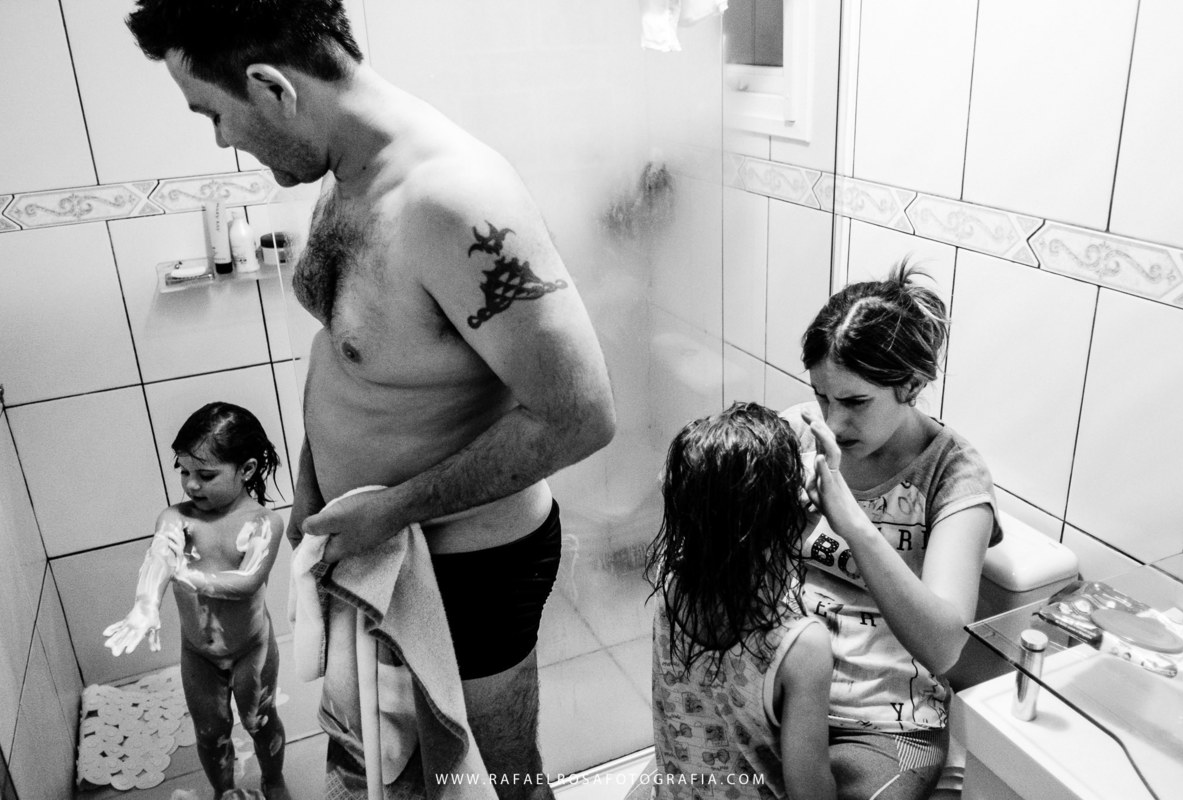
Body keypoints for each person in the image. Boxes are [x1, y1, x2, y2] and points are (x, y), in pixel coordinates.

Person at [125, 3, 616, 798]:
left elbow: (580, 417)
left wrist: (390, 510)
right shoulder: (350, 172)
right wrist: (312, 480)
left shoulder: (454, 200)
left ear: (272, 88)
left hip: (471, 569)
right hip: (380, 544)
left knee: (503, 781)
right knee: (415, 774)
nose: (221, 139)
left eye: (213, 114)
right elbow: (350, 354)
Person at [781, 262, 1002, 800]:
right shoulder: (798, 434)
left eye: (855, 402)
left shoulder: (953, 474)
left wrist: (852, 522)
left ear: (912, 384)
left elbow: (944, 647)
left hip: (886, 725)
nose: (833, 423)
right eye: (822, 396)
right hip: (778, 690)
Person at [645, 402, 836, 800]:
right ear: (786, 513)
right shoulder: (800, 647)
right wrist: (829, 498)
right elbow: (811, 792)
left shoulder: (671, 582)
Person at [105, 402, 289, 800]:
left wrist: (188, 575)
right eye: (184, 471)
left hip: (251, 649)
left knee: (258, 720)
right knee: (209, 731)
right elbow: (159, 557)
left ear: (247, 470)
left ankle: (273, 780)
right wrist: (145, 604)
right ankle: (224, 791)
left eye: (206, 475)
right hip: (198, 653)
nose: (191, 485)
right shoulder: (177, 519)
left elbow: (247, 581)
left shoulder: (263, 523)